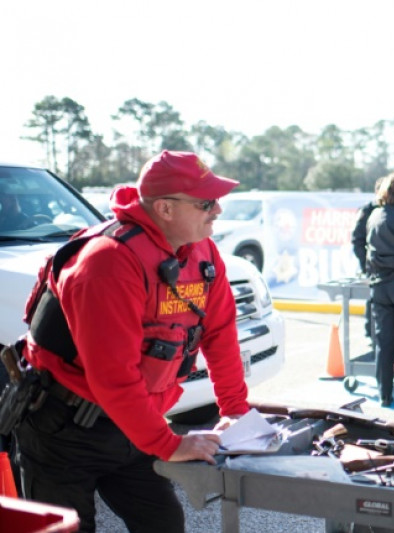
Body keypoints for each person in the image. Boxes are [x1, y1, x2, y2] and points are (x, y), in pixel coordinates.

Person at [14, 150, 250, 533]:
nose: (218, 210)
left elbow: (220, 331)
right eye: (206, 202)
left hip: (133, 422)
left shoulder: (202, 252)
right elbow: (114, 376)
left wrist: (236, 412)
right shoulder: (107, 262)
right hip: (63, 430)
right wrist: (170, 444)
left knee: (163, 525)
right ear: (165, 209)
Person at [365, 173, 394, 407]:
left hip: (380, 285)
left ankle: (384, 394)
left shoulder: (374, 215)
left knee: (384, 344)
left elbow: (367, 249)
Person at [352, 176, 385, 338]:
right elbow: (357, 240)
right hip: (374, 267)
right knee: (373, 300)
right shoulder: (368, 210)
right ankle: (371, 331)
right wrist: (366, 263)